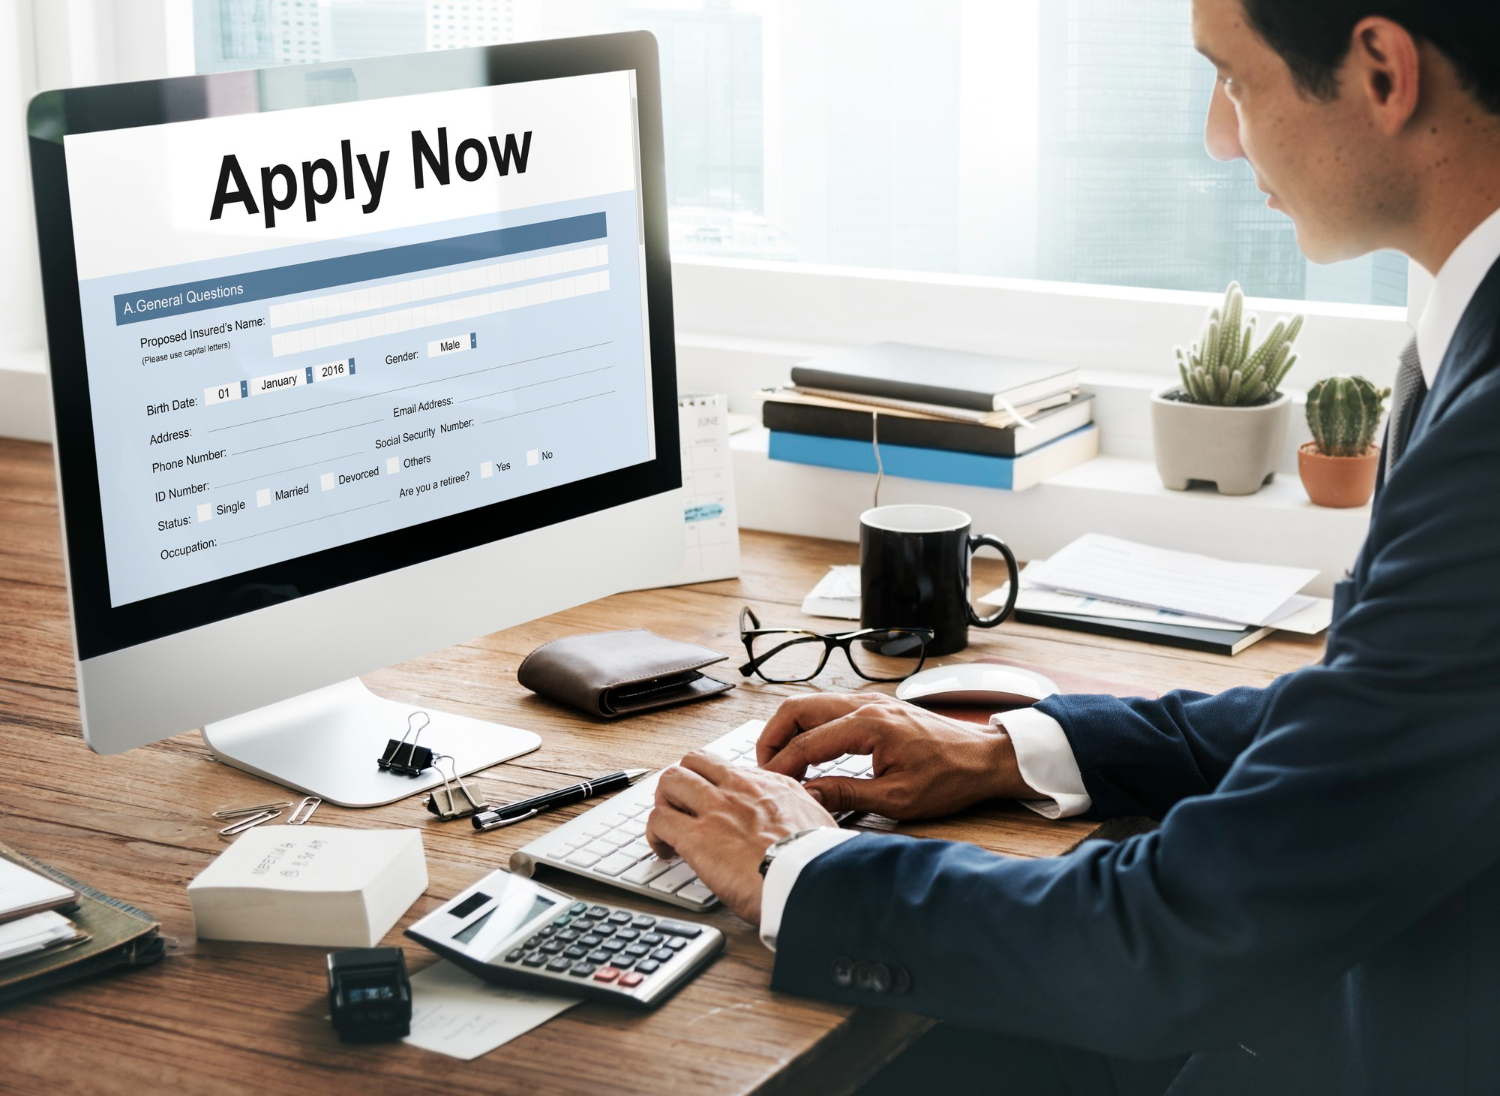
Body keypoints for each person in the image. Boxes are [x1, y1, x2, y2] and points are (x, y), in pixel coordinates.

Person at [644, 1, 1500, 1092]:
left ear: (1382, 72)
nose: (1218, 136)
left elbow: (1176, 941)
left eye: (1231, 78)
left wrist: (798, 865)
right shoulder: (1466, 328)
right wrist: (1017, 750)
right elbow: (1378, 714)